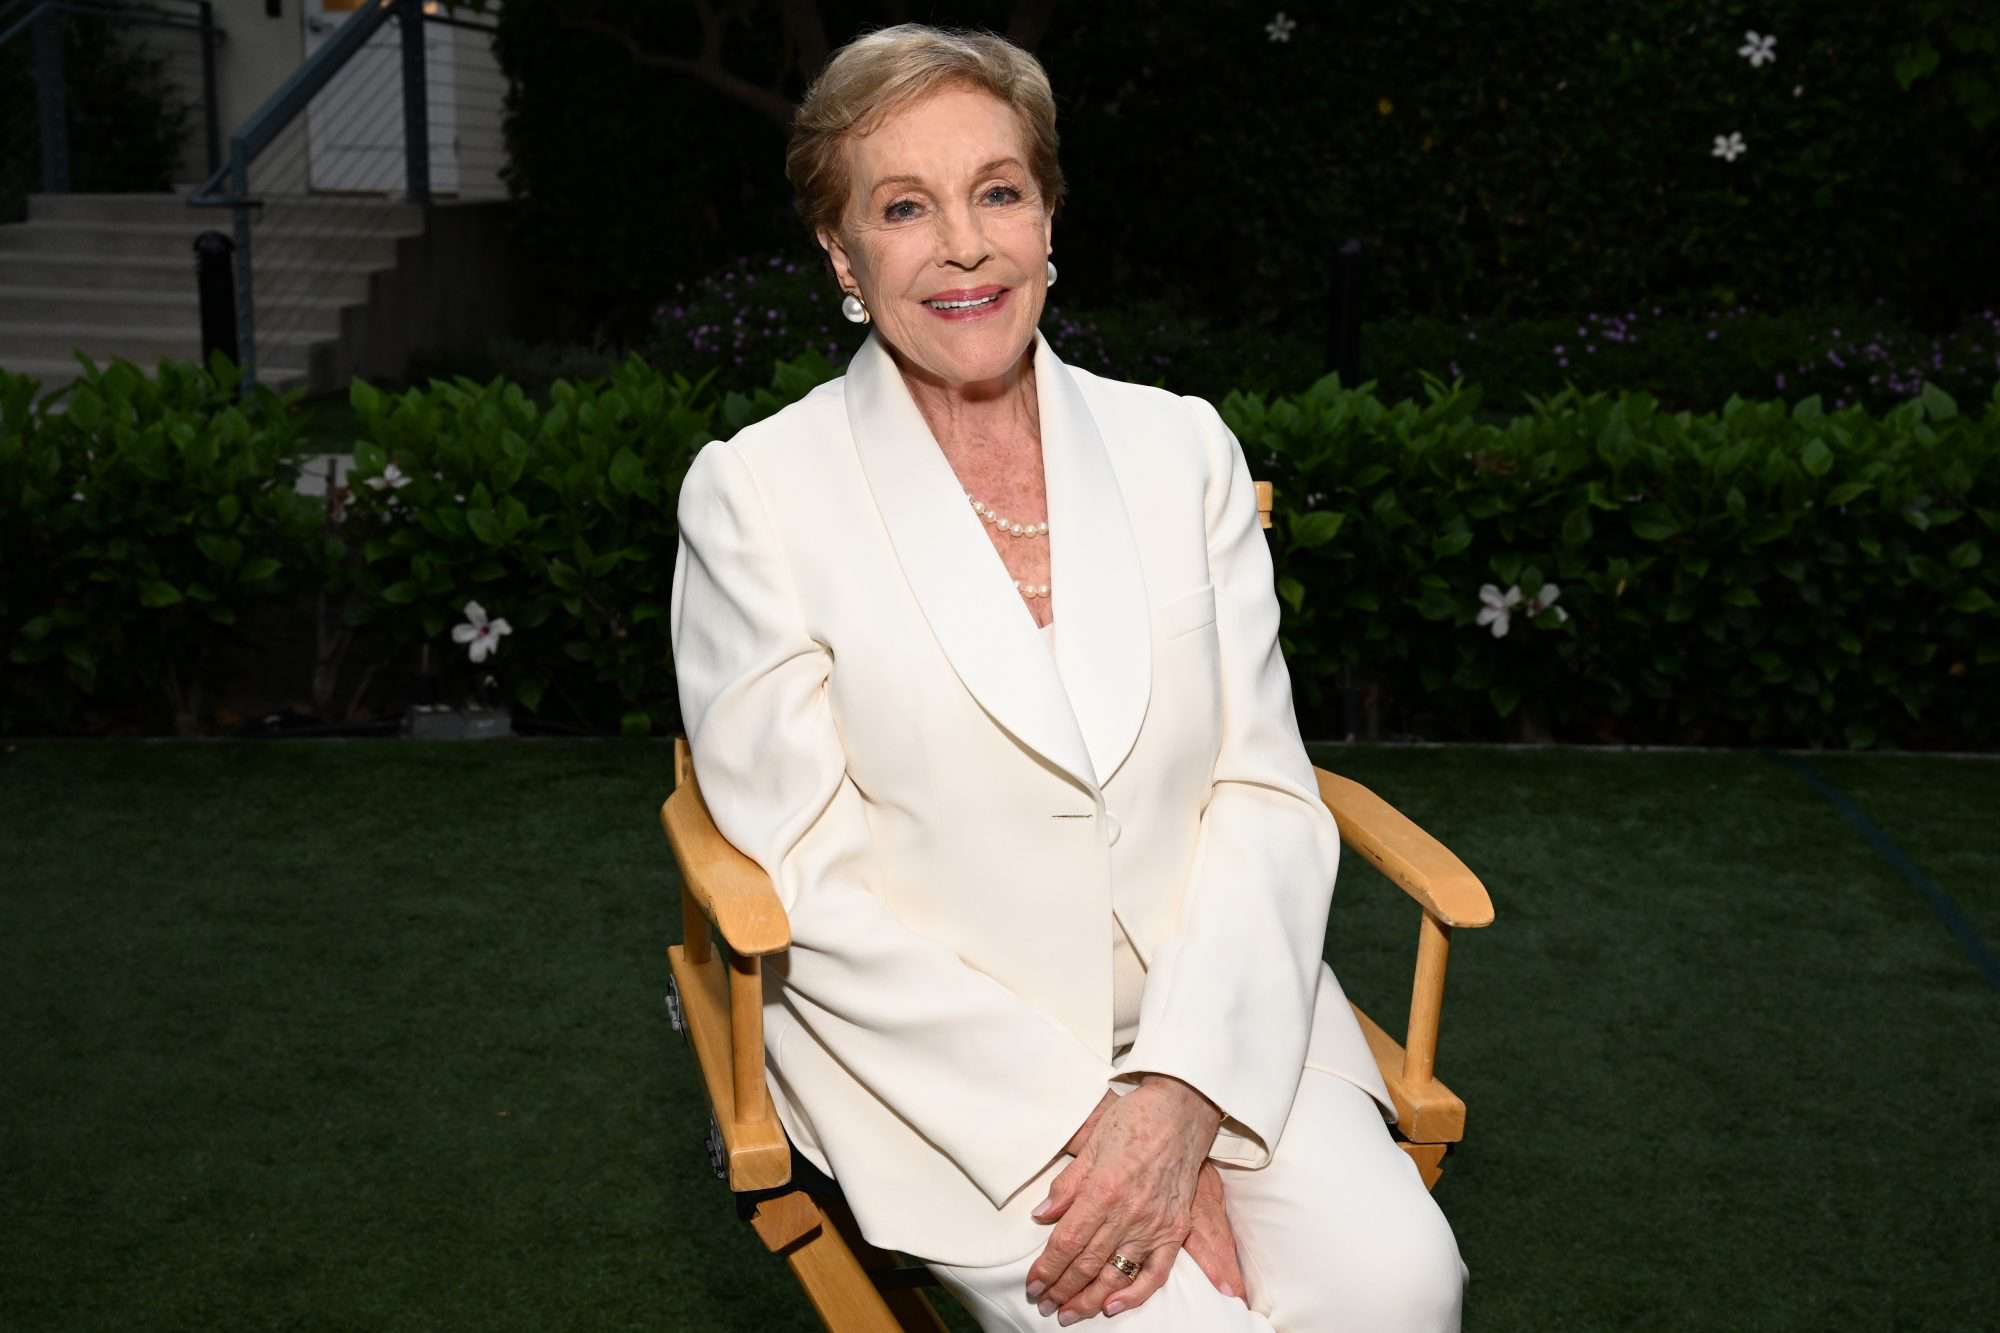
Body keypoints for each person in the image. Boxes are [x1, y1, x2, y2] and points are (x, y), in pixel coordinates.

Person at [670, 23, 1466, 1331]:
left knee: (1403, 1286)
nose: (965, 244)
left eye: (998, 190)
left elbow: (1266, 792)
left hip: (1221, 1015)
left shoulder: (1182, 451)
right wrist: (1103, 1132)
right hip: (949, 1073)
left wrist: (1185, 1092)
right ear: (843, 253)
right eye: (904, 206)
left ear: (1048, 215)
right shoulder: (759, 498)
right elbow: (810, 886)